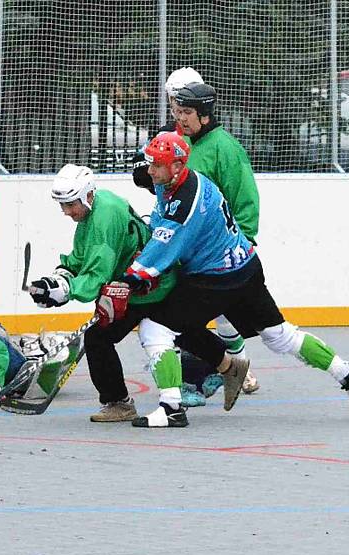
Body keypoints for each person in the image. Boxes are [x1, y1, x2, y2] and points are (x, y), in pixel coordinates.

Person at [121, 131, 349, 428]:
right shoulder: (177, 180)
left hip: (216, 279)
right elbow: (163, 221)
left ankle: (172, 408)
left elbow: (167, 242)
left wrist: (133, 277)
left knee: (155, 328)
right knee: (280, 335)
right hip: (245, 267)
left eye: (155, 166)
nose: (149, 171)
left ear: (175, 167)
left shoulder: (188, 201)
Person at [27, 164, 224, 422]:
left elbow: (97, 275)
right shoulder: (98, 205)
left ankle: (119, 403)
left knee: (99, 338)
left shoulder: (103, 218)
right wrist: (57, 278)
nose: (66, 212)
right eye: (62, 205)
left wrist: (65, 290)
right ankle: (227, 362)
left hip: (145, 285)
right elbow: (82, 258)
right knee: (178, 329)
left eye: (70, 204)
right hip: (144, 282)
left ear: (87, 195)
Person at [135, 77, 262, 395]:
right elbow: (158, 175)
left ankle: (220, 372)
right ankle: (219, 370)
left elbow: (244, 196)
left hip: (216, 246)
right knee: (189, 314)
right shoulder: (174, 136)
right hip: (185, 244)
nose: (177, 114)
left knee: (217, 316)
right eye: (174, 104)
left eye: (182, 107)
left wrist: (244, 239)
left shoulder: (224, 148)